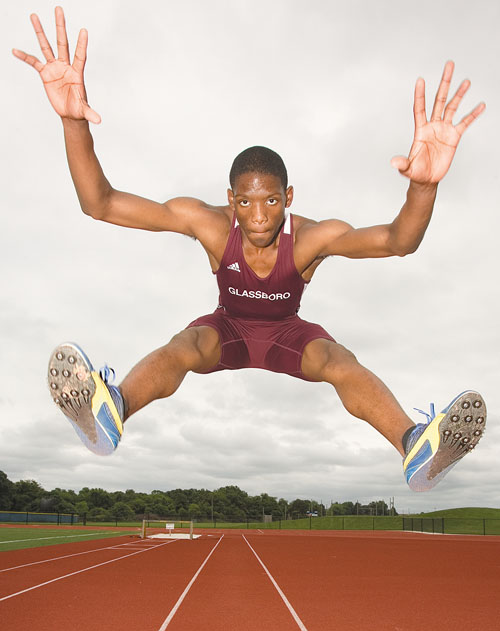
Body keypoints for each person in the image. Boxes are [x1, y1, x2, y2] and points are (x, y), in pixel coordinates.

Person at [13, 7, 487, 492]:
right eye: (245, 201)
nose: (258, 215)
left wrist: (423, 188)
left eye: (271, 201)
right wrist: (74, 123)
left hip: (288, 334)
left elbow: (398, 241)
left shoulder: (310, 238)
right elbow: (101, 203)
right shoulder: (212, 226)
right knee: (187, 345)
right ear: (230, 199)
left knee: (338, 361)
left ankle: (415, 446)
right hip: (229, 329)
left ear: (289, 198)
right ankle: (110, 410)